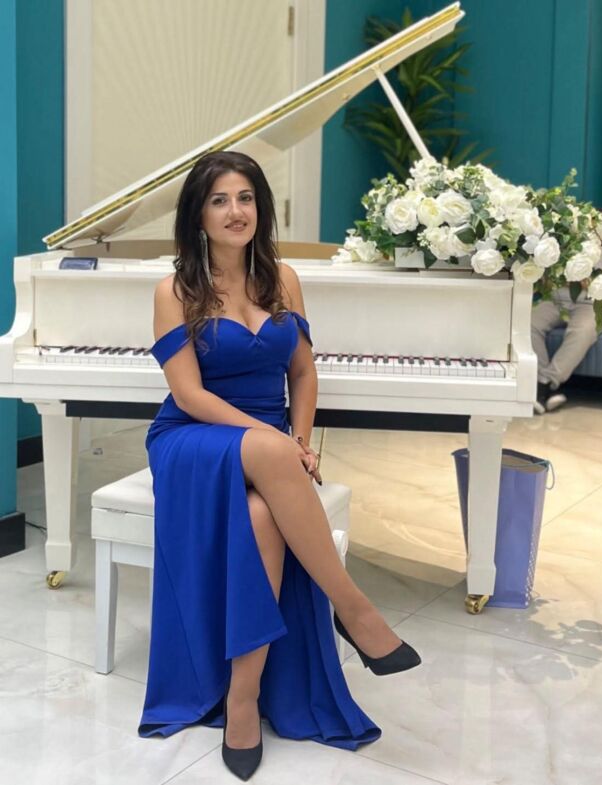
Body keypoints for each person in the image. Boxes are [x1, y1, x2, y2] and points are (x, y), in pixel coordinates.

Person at [138, 150, 421, 780]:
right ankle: (355, 610)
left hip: (269, 447)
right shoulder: (174, 290)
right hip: (192, 439)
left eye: (245, 198)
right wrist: (278, 442)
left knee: (265, 519)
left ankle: (243, 698)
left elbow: (304, 372)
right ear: (198, 215)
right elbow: (190, 395)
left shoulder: (284, 279)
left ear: (260, 208)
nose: (235, 211)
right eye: (219, 200)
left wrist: (300, 437)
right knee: (266, 452)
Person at [531, 244, 602, 414]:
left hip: (590, 304)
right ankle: (542, 386)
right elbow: (545, 281)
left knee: (583, 331)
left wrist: (592, 285)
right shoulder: (566, 248)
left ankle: (544, 384)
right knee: (529, 323)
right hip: (555, 300)